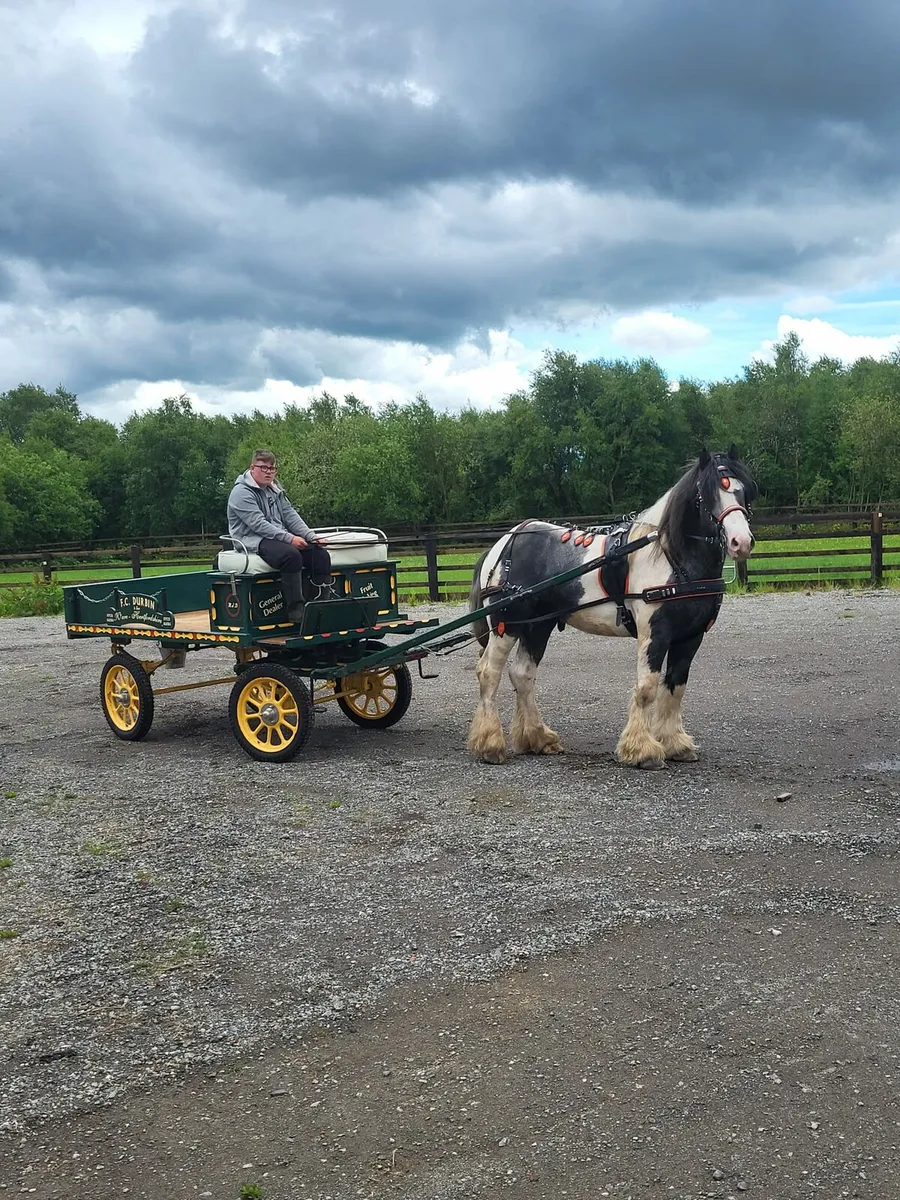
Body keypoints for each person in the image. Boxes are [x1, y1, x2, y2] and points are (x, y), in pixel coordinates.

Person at [226, 450, 332, 621]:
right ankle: (297, 612)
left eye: (272, 468)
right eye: (263, 468)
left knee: (319, 555)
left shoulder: (275, 490)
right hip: (253, 540)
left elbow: (290, 515)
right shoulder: (241, 492)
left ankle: (320, 608)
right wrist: (290, 539)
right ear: (252, 468)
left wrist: (311, 536)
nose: (268, 472)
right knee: (291, 555)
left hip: (277, 537)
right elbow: (259, 525)